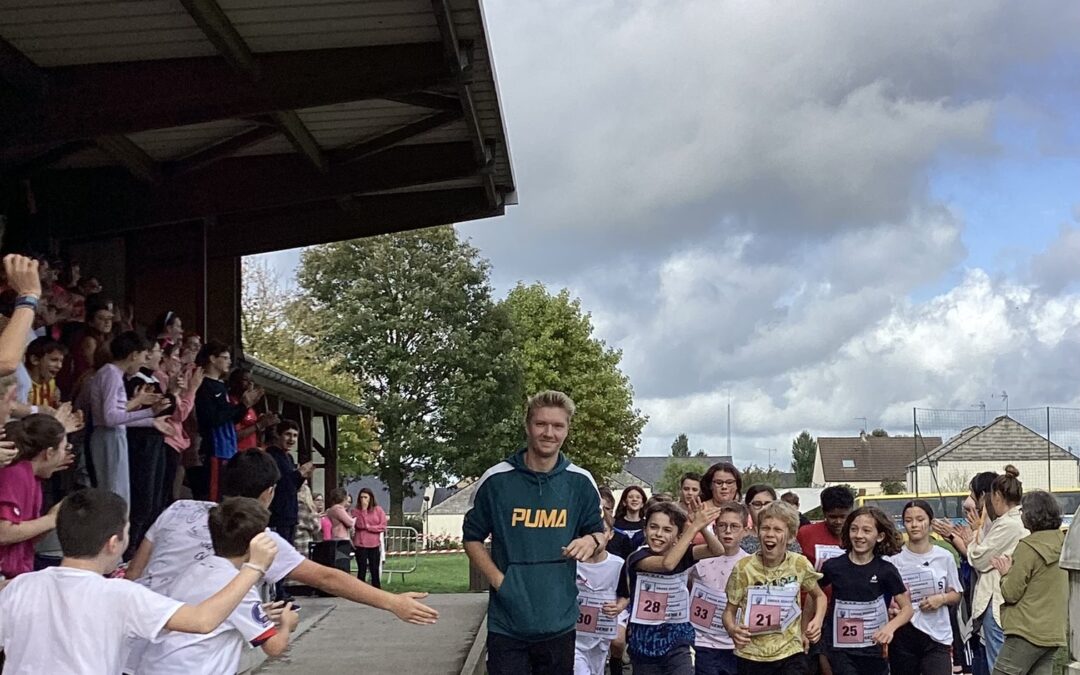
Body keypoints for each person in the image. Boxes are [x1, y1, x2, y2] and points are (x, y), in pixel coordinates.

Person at [123, 450, 439, 672]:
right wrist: (391, 602)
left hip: (134, 651)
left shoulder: (178, 510)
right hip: (197, 661)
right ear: (269, 493)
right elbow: (327, 578)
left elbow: (136, 573)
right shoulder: (258, 540)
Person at [0, 488, 278, 674]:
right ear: (113, 543)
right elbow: (202, 621)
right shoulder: (120, 595)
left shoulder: (21, 587)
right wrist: (253, 568)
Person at [463, 390, 605, 675]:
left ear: (567, 430)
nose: (549, 432)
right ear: (527, 426)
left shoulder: (580, 481)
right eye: (541, 424)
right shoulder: (496, 480)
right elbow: (471, 538)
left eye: (558, 426)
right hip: (508, 624)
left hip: (560, 621)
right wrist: (501, 582)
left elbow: (600, 534)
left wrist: (591, 541)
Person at [137, 497, 299, 675]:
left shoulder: (194, 569)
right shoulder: (239, 586)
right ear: (256, 544)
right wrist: (286, 624)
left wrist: (258, 614)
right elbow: (274, 647)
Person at [723, 501, 827, 675]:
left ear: (791, 537)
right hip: (751, 654)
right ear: (757, 532)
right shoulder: (743, 567)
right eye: (765, 528)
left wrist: (816, 621)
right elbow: (728, 611)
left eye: (778, 530)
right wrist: (732, 629)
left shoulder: (799, 563)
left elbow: (820, 596)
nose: (770, 534)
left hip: (790, 651)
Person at [625, 499, 725, 674]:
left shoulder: (685, 553)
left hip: (677, 639)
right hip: (644, 643)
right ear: (645, 529)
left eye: (667, 530)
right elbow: (668, 564)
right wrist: (693, 528)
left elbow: (717, 550)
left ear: (679, 537)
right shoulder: (638, 558)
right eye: (653, 527)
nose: (658, 534)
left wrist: (701, 526)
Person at [820, 507, 912, 675]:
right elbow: (815, 594)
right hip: (841, 648)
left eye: (866, 530)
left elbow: (907, 609)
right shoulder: (833, 566)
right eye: (854, 529)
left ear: (880, 536)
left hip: (873, 648)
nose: (859, 535)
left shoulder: (886, 570)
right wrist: (814, 622)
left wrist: (889, 628)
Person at [87, 330, 172, 506]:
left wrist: (151, 420)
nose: (143, 362)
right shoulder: (111, 374)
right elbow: (110, 417)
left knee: (118, 491)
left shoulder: (112, 373)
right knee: (114, 494)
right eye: (143, 356)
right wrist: (142, 406)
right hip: (108, 437)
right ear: (133, 355)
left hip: (112, 434)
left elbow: (117, 417)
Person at [987, 490, 1065, 675]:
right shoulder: (1063, 543)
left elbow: (1011, 593)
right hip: (1053, 631)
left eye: (1023, 511)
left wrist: (1005, 573)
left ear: (1031, 515)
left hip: (1025, 631)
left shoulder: (1027, 547)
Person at [886, 500, 964, 675]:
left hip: (937, 634)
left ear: (930, 522)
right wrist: (892, 609)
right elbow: (886, 598)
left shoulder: (945, 557)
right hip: (903, 633)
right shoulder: (893, 560)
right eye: (908, 520)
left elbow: (957, 593)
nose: (914, 525)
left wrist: (941, 599)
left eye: (920, 519)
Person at [967, 467, 1027, 671]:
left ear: (998, 496)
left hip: (997, 598)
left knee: (999, 662)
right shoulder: (1012, 521)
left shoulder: (1009, 524)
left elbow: (978, 558)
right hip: (1001, 597)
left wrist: (974, 535)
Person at [0, 415, 73, 578]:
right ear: (49, 453)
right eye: (64, 448)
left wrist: (54, 520)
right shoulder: (15, 474)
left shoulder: (34, 478)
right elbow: (4, 533)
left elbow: (25, 536)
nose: (65, 455)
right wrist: (51, 519)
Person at [688, 500, 751, 675]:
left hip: (735, 643)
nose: (728, 531)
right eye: (722, 525)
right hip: (703, 642)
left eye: (734, 526)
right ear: (715, 529)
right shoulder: (699, 558)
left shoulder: (751, 564)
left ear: (745, 531)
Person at [193, 341, 261, 500]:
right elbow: (212, 419)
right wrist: (241, 405)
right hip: (214, 446)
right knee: (213, 495)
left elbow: (231, 419)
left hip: (227, 446)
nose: (229, 362)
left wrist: (245, 405)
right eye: (224, 357)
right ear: (212, 359)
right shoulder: (204, 386)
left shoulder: (221, 386)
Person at [574, 515, 631, 675]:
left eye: (602, 531)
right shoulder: (572, 563)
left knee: (595, 669)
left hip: (602, 630)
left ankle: (615, 665)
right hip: (575, 635)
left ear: (610, 534)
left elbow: (625, 595)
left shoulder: (618, 564)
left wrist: (618, 607)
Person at [265, 421, 314, 551]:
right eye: (288, 434)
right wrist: (299, 473)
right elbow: (282, 485)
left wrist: (302, 476)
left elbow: (292, 488)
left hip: (290, 515)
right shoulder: (272, 456)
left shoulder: (289, 458)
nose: (291, 439)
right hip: (277, 515)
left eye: (295, 435)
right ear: (278, 435)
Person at [798, 485, 855, 572]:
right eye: (833, 517)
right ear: (824, 513)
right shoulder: (805, 533)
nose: (838, 521)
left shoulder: (859, 536)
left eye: (843, 517)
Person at [741, 485, 802, 554]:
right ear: (748, 508)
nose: (763, 508)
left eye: (768, 504)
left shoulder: (785, 536)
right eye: (757, 504)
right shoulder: (741, 537)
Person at [353, 487, 388, 588]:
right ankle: (360, 590)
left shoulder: (378, 510)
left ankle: (376, 589)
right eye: (361, 497)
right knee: (362, 568)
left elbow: (382, 526)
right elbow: (360, 525)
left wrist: (370, 527)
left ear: (370, 498)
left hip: (374, 544)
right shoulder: (356, 511)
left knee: (374, 569)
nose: (363, 499)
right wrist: (364, 510)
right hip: (361, 544)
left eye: (365, 497)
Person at [23, 336, 66, 409]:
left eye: (61, 361)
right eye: (54, 360)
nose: (59, 366)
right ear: (35, 360)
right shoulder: (22, 386)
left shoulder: (52, 387)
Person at [295, 481, 323, 554]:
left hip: (293, 541)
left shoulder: (292, 506)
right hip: (304, 542)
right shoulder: (306, 508)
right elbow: (316, 527)